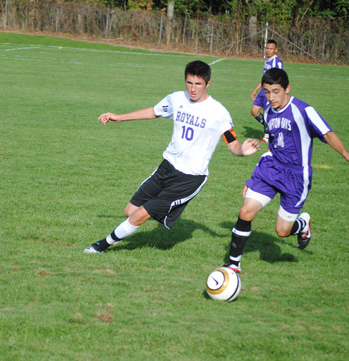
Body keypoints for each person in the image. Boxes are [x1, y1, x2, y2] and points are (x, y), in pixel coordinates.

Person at [84, 60, 260, 254]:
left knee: (141, 214)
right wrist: (119, 116)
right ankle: (146, 216)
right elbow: (154, 111)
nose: (193, 89)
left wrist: (243, 150)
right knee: (130, 212)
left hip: (189, 178)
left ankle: (103, 245)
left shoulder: (219, 113)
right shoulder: (176, 99)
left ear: (208, 84)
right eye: (189, 83)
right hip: (167, 167)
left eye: (198, 84)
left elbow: (233, 144)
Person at [224, 68, 349, 273]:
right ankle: (232, 264)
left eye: (275, 91)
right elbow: (272, 145)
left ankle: (302, 224)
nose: (270, 97)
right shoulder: (269, 111)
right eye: (266, 92)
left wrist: (346, 154)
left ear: (287, 89)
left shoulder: (303, 110)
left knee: (282, 231)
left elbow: (326, 133)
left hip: (296, 177)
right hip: (271, 168)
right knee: (246, 211)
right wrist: (253, 179)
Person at [250, 39, 283, 143]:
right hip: (262, 91)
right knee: (254, 112)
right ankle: (271, 129)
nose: (268, 50)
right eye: (267, 48)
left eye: (271, 49)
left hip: (270, 92)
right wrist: (255, 90)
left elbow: (280, 78)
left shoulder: (277, 62)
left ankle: (267, 137)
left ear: (276, 50)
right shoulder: (267, 61)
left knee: (266, 114)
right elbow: (264, 78)